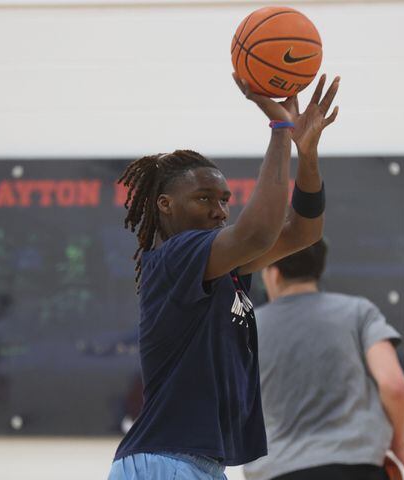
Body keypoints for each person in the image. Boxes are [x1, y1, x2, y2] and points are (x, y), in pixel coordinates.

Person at [108, 73, 340, 480]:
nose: (219, 210)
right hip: (165, 460)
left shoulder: (223, 267)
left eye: (224, 200)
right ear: (165, 204)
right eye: (204, 199)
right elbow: (258, 231)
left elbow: (305, 232)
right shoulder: (176, 255)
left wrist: (308, 155)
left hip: (193, 462)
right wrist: (280, 130)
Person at [243, 239, 404, 480]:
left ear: (274, 274)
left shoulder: (250, 329)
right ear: (318, 269)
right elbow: (394, 385)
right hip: (359, 468)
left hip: (280, 470)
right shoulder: (359, 312)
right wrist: (399, 444)